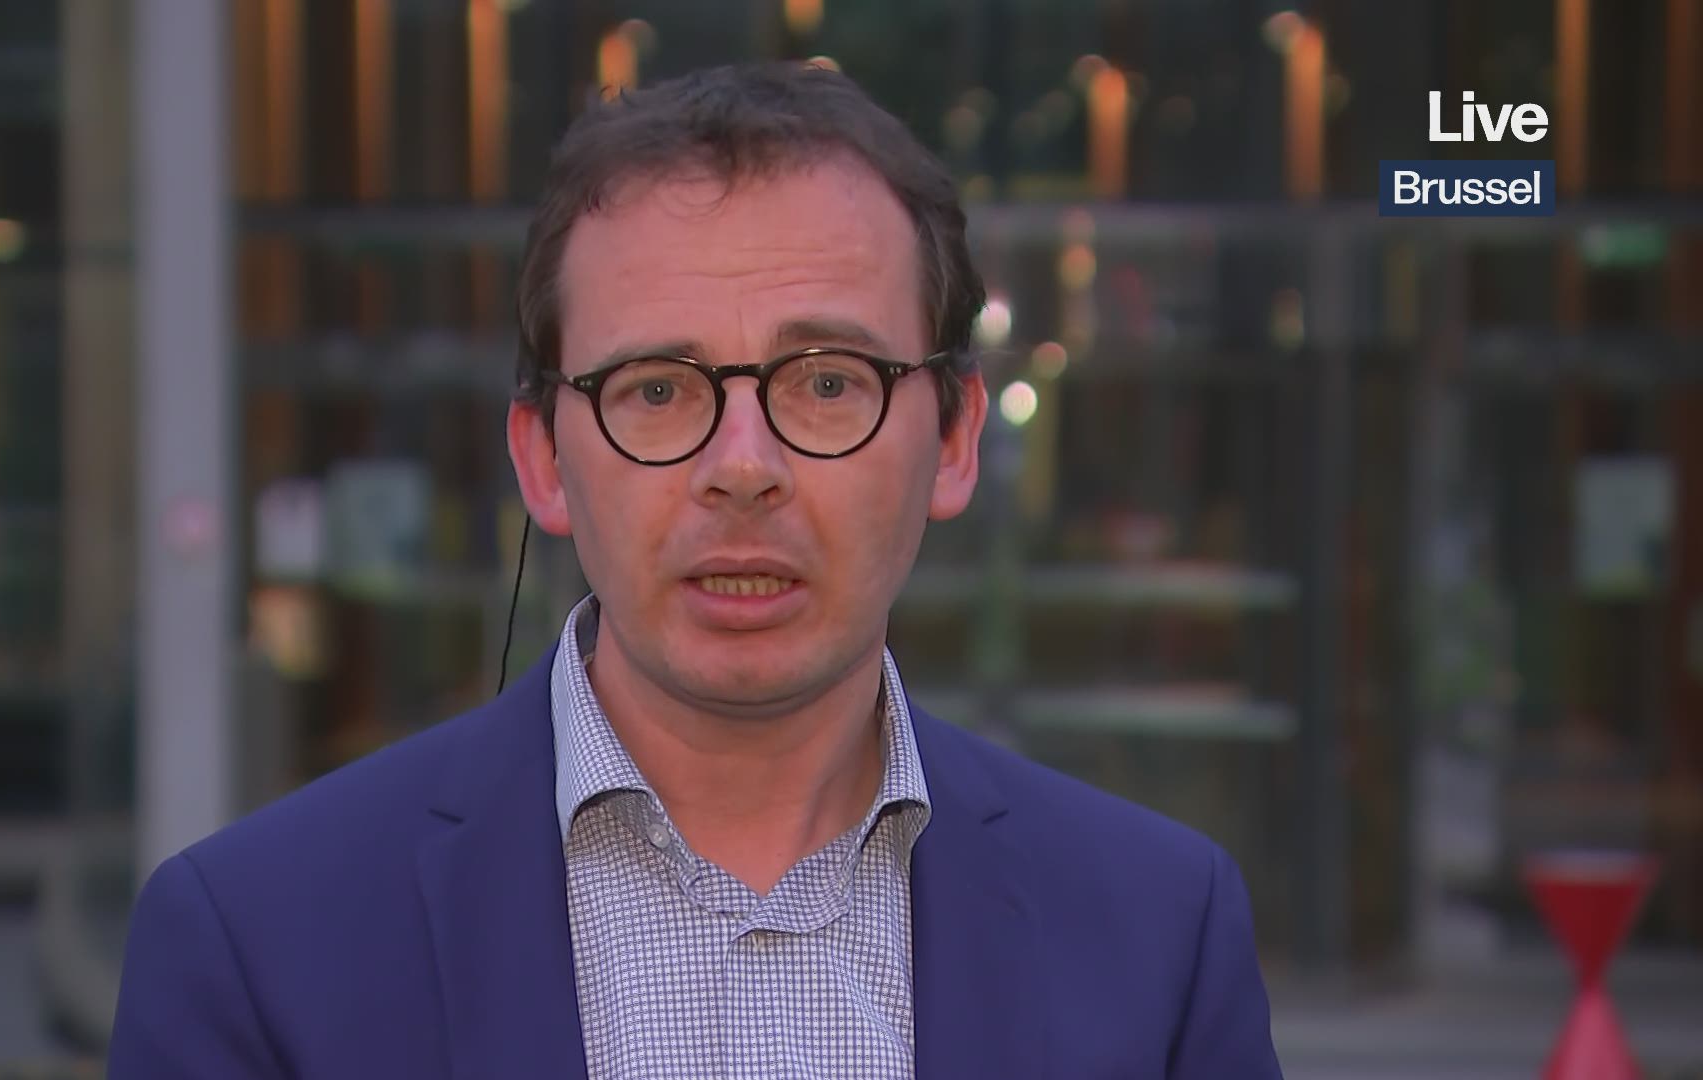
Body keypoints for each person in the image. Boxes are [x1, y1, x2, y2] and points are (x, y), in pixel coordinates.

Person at [108, 61, 1284, 1079]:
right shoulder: (257, 947)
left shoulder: (1159, 936)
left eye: (828, 382)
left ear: (956, 438)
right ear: (544, 459)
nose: (744, 468)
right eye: (658, 390)